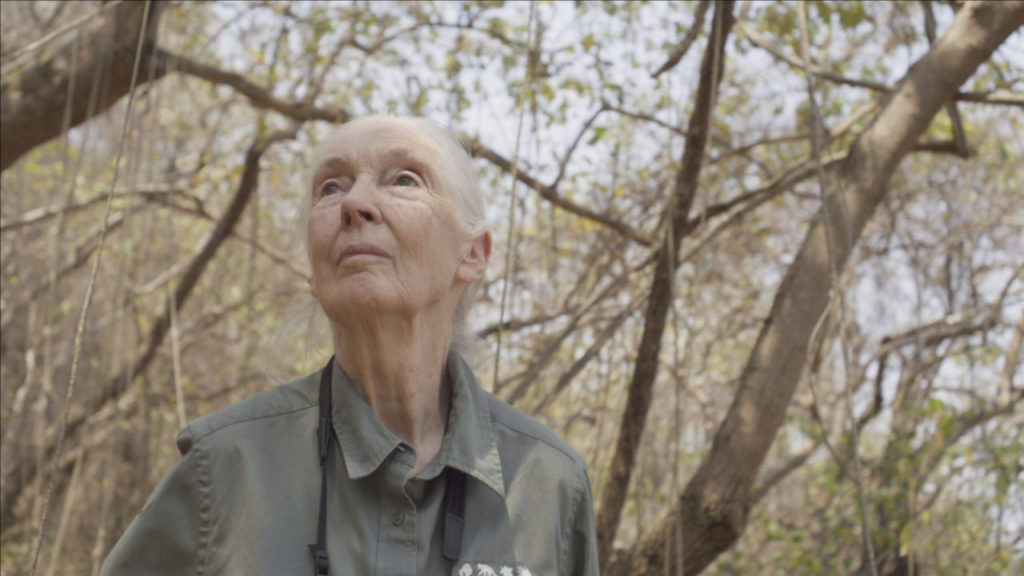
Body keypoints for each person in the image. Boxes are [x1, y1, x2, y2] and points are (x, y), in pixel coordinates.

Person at [100, 115, 599, 576]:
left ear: (472, 254)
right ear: (313, 273)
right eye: (330, 187)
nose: (354, 204)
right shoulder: (225, 467)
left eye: (405, 179)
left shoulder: (550, 484)